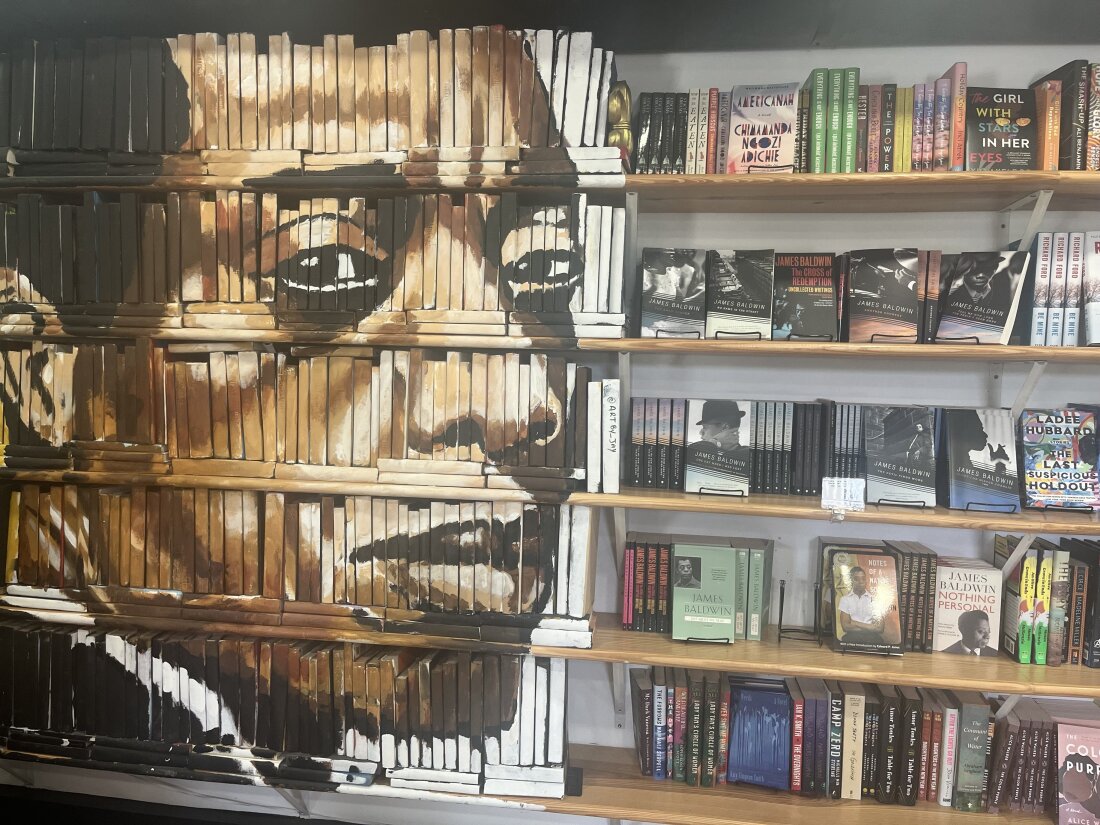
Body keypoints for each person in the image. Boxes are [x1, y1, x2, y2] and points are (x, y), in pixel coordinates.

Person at [837, 566, 885, 644]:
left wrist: (855, 623)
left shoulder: (874, 599)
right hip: (852, 636)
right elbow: (845, 627)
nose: (861, 581)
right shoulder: (845, 599)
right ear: (850, 581)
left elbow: (880, 628)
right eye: (856, 579)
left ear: (866, 580)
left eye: (863, 578)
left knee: (879, 642)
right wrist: (871, 626)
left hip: (872, 637)